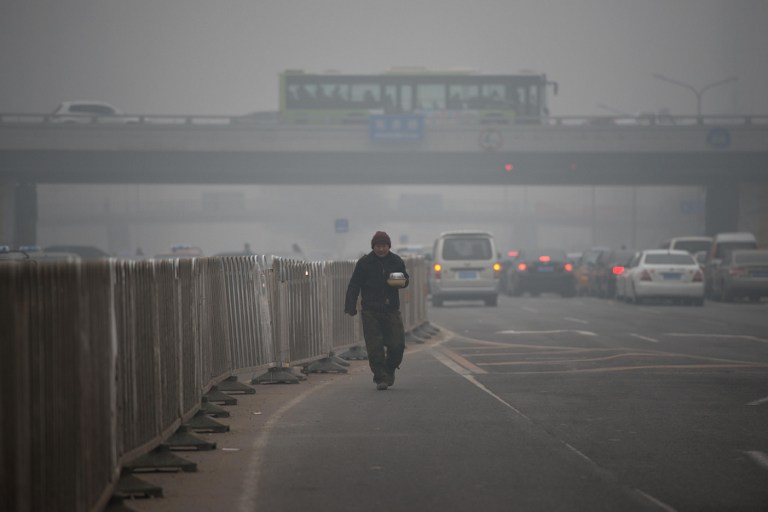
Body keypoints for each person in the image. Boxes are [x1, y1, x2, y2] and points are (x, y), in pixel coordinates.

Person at [344, 231, 409, 390]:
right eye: (378, 246)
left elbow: (406, 280)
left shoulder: (396, 261)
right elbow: (354, 285)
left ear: (389, 246)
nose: (381, 249)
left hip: (391, 310)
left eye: (384, 246)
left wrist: (401, 281)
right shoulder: (364, 263)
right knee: (375, 347)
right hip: (370, 310)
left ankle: (390, 369)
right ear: (373, 246)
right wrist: (350, 305)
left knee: (397, 345)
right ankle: (380, 377)